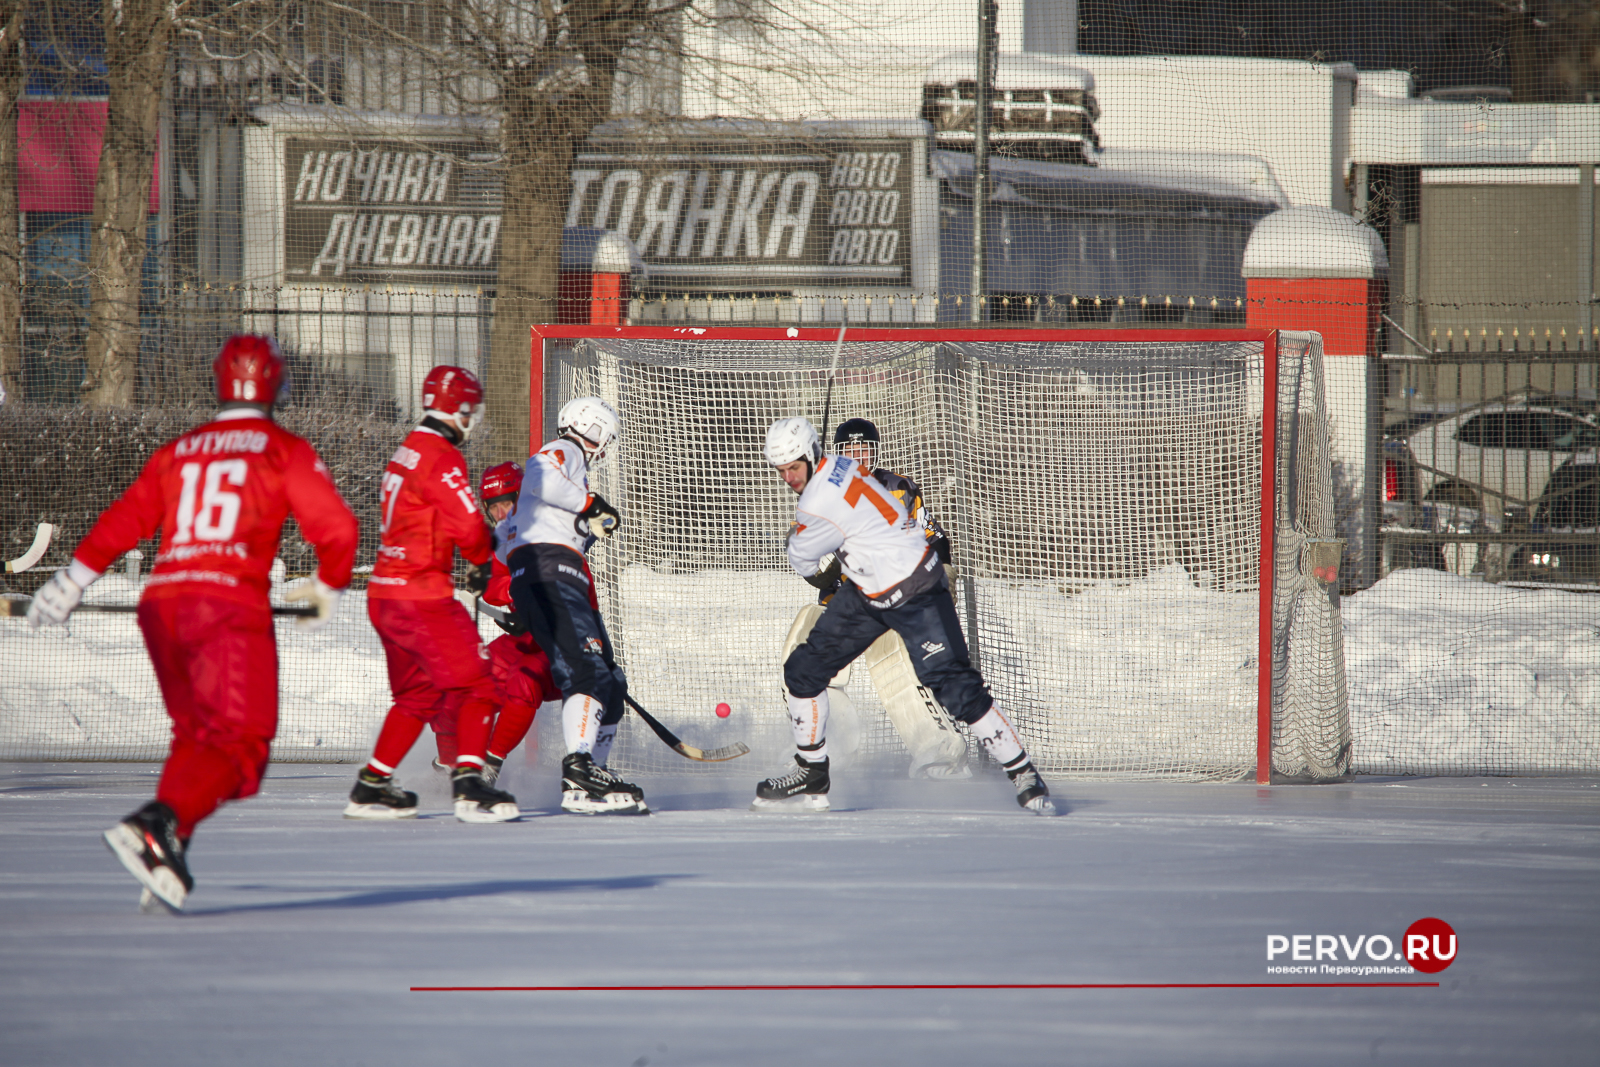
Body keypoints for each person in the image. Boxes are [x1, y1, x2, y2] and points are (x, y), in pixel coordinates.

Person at [27, 335, 360, 911]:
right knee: (244, 751)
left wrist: (71, 579)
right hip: (226, 608)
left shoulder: (181, 449)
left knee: (198, 739)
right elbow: (340, 532)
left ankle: (161, 850)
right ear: (277, 386)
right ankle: (157, 825)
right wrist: (327, 584)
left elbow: (127, 516)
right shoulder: (282, 449)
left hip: (163, 608)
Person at [756, 416, 1057, 815]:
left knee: (954, 686)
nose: (789, 478)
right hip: (866, 592)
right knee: (803, 670)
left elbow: (804, 559)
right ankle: (812, 771)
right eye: (781, 471)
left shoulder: (815, 501)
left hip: (914, 590)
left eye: (794, 468)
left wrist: (796, 536)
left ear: (812, 456)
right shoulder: (844, 468)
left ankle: (1023, 772)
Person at [346, 364, 519, 823]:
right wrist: (483, 560)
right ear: (459, 410)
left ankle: (371, 786)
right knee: (482, 684)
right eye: (472, 411)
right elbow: (467, 525)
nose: (473, 420)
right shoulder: (442, 455)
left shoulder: (406, 450)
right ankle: (469, 785)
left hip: (384, 595)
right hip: (421, 595)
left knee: (417, 696)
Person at [780, 417, 969, 779]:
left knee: (892, 655)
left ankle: (939, 752)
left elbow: (935, 539)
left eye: (863, 449)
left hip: (893, 596)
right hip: (845, 600)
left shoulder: (897, 489)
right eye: (849, 450)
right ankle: (820, 750)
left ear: (876, 451)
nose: (857, 456)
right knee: (802, 643)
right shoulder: (819, 494)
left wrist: (941, 577)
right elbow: (819, 568)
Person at [497, 396, 647, 815]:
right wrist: (590, 505)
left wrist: (588, 525)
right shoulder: (565, 451)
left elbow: (510, 537)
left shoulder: (571, 472)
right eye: (604, 437)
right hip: (553, 574)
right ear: (592, 428)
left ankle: (587, 780)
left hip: (555, 577)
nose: (603, 447)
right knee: (584, 669)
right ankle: (580, 767)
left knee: (609, 680)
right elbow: (538, 477)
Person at [473, 460, 561, 786]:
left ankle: (490, 767)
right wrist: (515, 599)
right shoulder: (500, 538)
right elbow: (491, 586)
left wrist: (533, 599)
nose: (500, 514)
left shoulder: (547, 530)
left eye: (506, 504)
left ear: (521, 498)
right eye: (493, 507)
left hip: (560, 644)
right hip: (525, 641)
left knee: (523, 682)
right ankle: (457, 760)